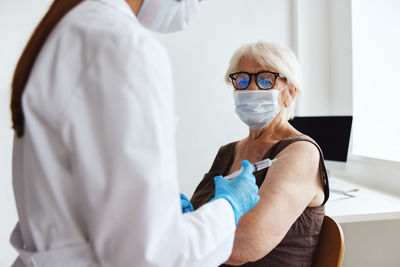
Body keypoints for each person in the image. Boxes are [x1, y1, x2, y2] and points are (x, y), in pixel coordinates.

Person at [9, 0, 260, 266]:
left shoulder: (70, 29)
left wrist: (157, 210)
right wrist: (228, 208)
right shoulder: (121, 44)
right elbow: (150, 255)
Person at [190, 41, 330, 266]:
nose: (251, 89)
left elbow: (242, 246)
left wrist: (183, 231)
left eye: (266, 80)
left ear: (289, 93)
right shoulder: (227, 152)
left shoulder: (301, 153)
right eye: (242, 80)